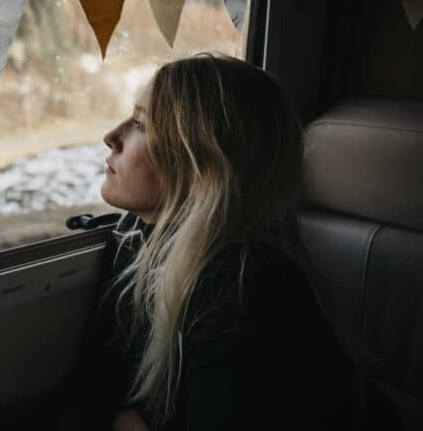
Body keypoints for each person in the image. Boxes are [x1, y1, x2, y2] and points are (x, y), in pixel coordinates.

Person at [48, 53, 387, 430]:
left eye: (142, 125)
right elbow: (94, 384)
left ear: (203, 162)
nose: (111, 136)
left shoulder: (247, 287)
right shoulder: (134, 239)